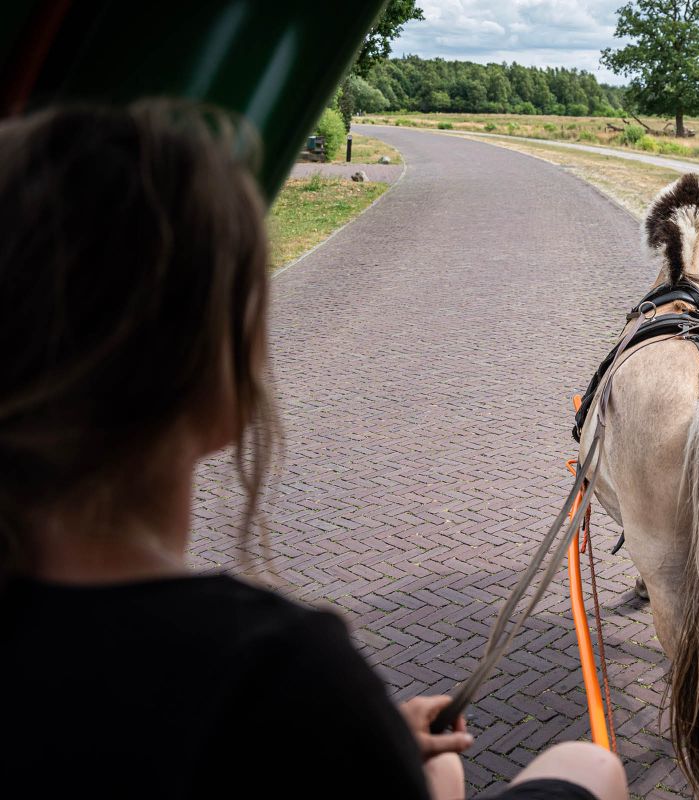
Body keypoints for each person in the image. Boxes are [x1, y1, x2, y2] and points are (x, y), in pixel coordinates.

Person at [0, 102, 628, 800]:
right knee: (586, 768)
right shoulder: (278, 669)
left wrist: (378, 735)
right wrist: (377, 743)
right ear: (213, 378)